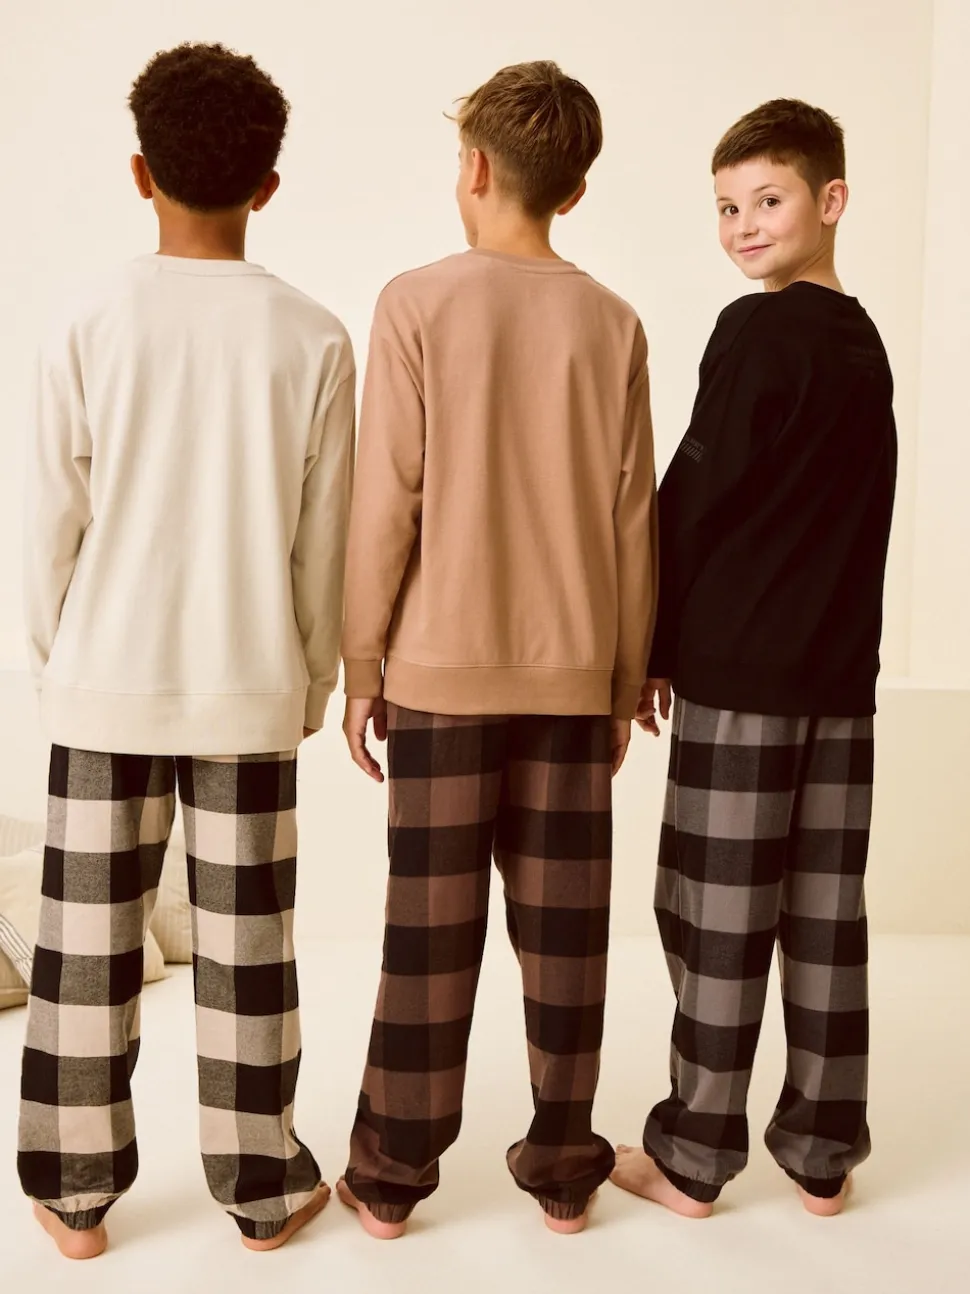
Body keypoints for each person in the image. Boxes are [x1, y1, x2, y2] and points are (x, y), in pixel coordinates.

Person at [19, 42, 355, 1256]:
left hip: (104, 681)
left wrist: (59, 663)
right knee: (246, 950)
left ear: (138, 170)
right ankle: (262, 1189)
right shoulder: (313, 337)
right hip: (248, 683)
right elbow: (325, 544)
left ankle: (73, 1196)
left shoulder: (90, 320)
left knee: (86, 952)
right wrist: (308, 680)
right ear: (268, 185)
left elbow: (46, 522)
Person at [337, 60, 658, 1238]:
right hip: (572, 679)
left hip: (438, 679)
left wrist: (361, 662)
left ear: (474, 167)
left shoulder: (415, 302)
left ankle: (389, 1177)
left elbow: (388, 501)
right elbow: (634, 520)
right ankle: (566, 1168)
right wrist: (621, 683)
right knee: (565, 934)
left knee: (429, 937)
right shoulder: (613, 322)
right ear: (573, 190)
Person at [611, 99, 897, 1218]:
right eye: (727, 207)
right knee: (824, 919)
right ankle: (824, 1156)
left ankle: (693, 1156)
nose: (743, 226)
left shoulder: (753, 331)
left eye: (767, 200)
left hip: (739, 678)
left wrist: (650, 644)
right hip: (838, 684)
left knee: (715, 919)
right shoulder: (864, 343)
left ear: (831, 200)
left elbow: (696, 497)